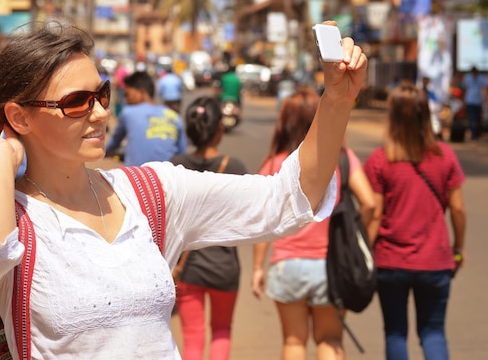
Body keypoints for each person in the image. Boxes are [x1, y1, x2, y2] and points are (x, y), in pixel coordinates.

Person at [0, 20, 367, 359]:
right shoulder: (16, 220)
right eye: (76, 101)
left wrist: (336, 101)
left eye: (102, 94)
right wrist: (5, 162)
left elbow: (288, 200)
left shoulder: (151, 192)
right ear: (20, 118)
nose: (100, 113)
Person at [251, 90, 375, 360]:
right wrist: (355, 237)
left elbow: (263, 221)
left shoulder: (275, 163)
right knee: (329, 339)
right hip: (329, 265)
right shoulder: (340, 157)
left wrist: (258, 267)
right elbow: (370, 203)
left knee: (294, 342)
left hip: (286, 265)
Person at [362, 83, 467, 360]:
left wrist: (365, 252)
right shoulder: (445, 157)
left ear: (392, 116)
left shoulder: (380, 160)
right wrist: (459, 248)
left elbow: (373, 212)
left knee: (395, 333)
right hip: (436, 261)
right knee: (433, 333)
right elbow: (457, 210)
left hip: (390, 261)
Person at [169, 96, 247, 360]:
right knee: (222, 331)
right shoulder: (235, 168)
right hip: (225, 268)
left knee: (192, 339)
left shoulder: (175, 165)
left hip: (188, 269)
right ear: (219, 130)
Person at [106, 70, 187, 166]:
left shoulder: (128, 112)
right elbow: (182, 153)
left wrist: (104, 153)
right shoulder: (175, 117)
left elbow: (114, 143)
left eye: (127, 94)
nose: (125, 99)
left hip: (136, 177)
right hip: (168, 177)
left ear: (140, 93)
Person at [461, 66, 487, 141]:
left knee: (478, 119)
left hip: (478, 101)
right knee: (471, 119)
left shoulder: (481, 79)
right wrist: (464, 100)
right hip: (470, 101)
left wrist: (484, 98)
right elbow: (465, 89)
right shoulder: (468, 79)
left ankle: (477, 134)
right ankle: (473, 135)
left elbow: (484, 89)